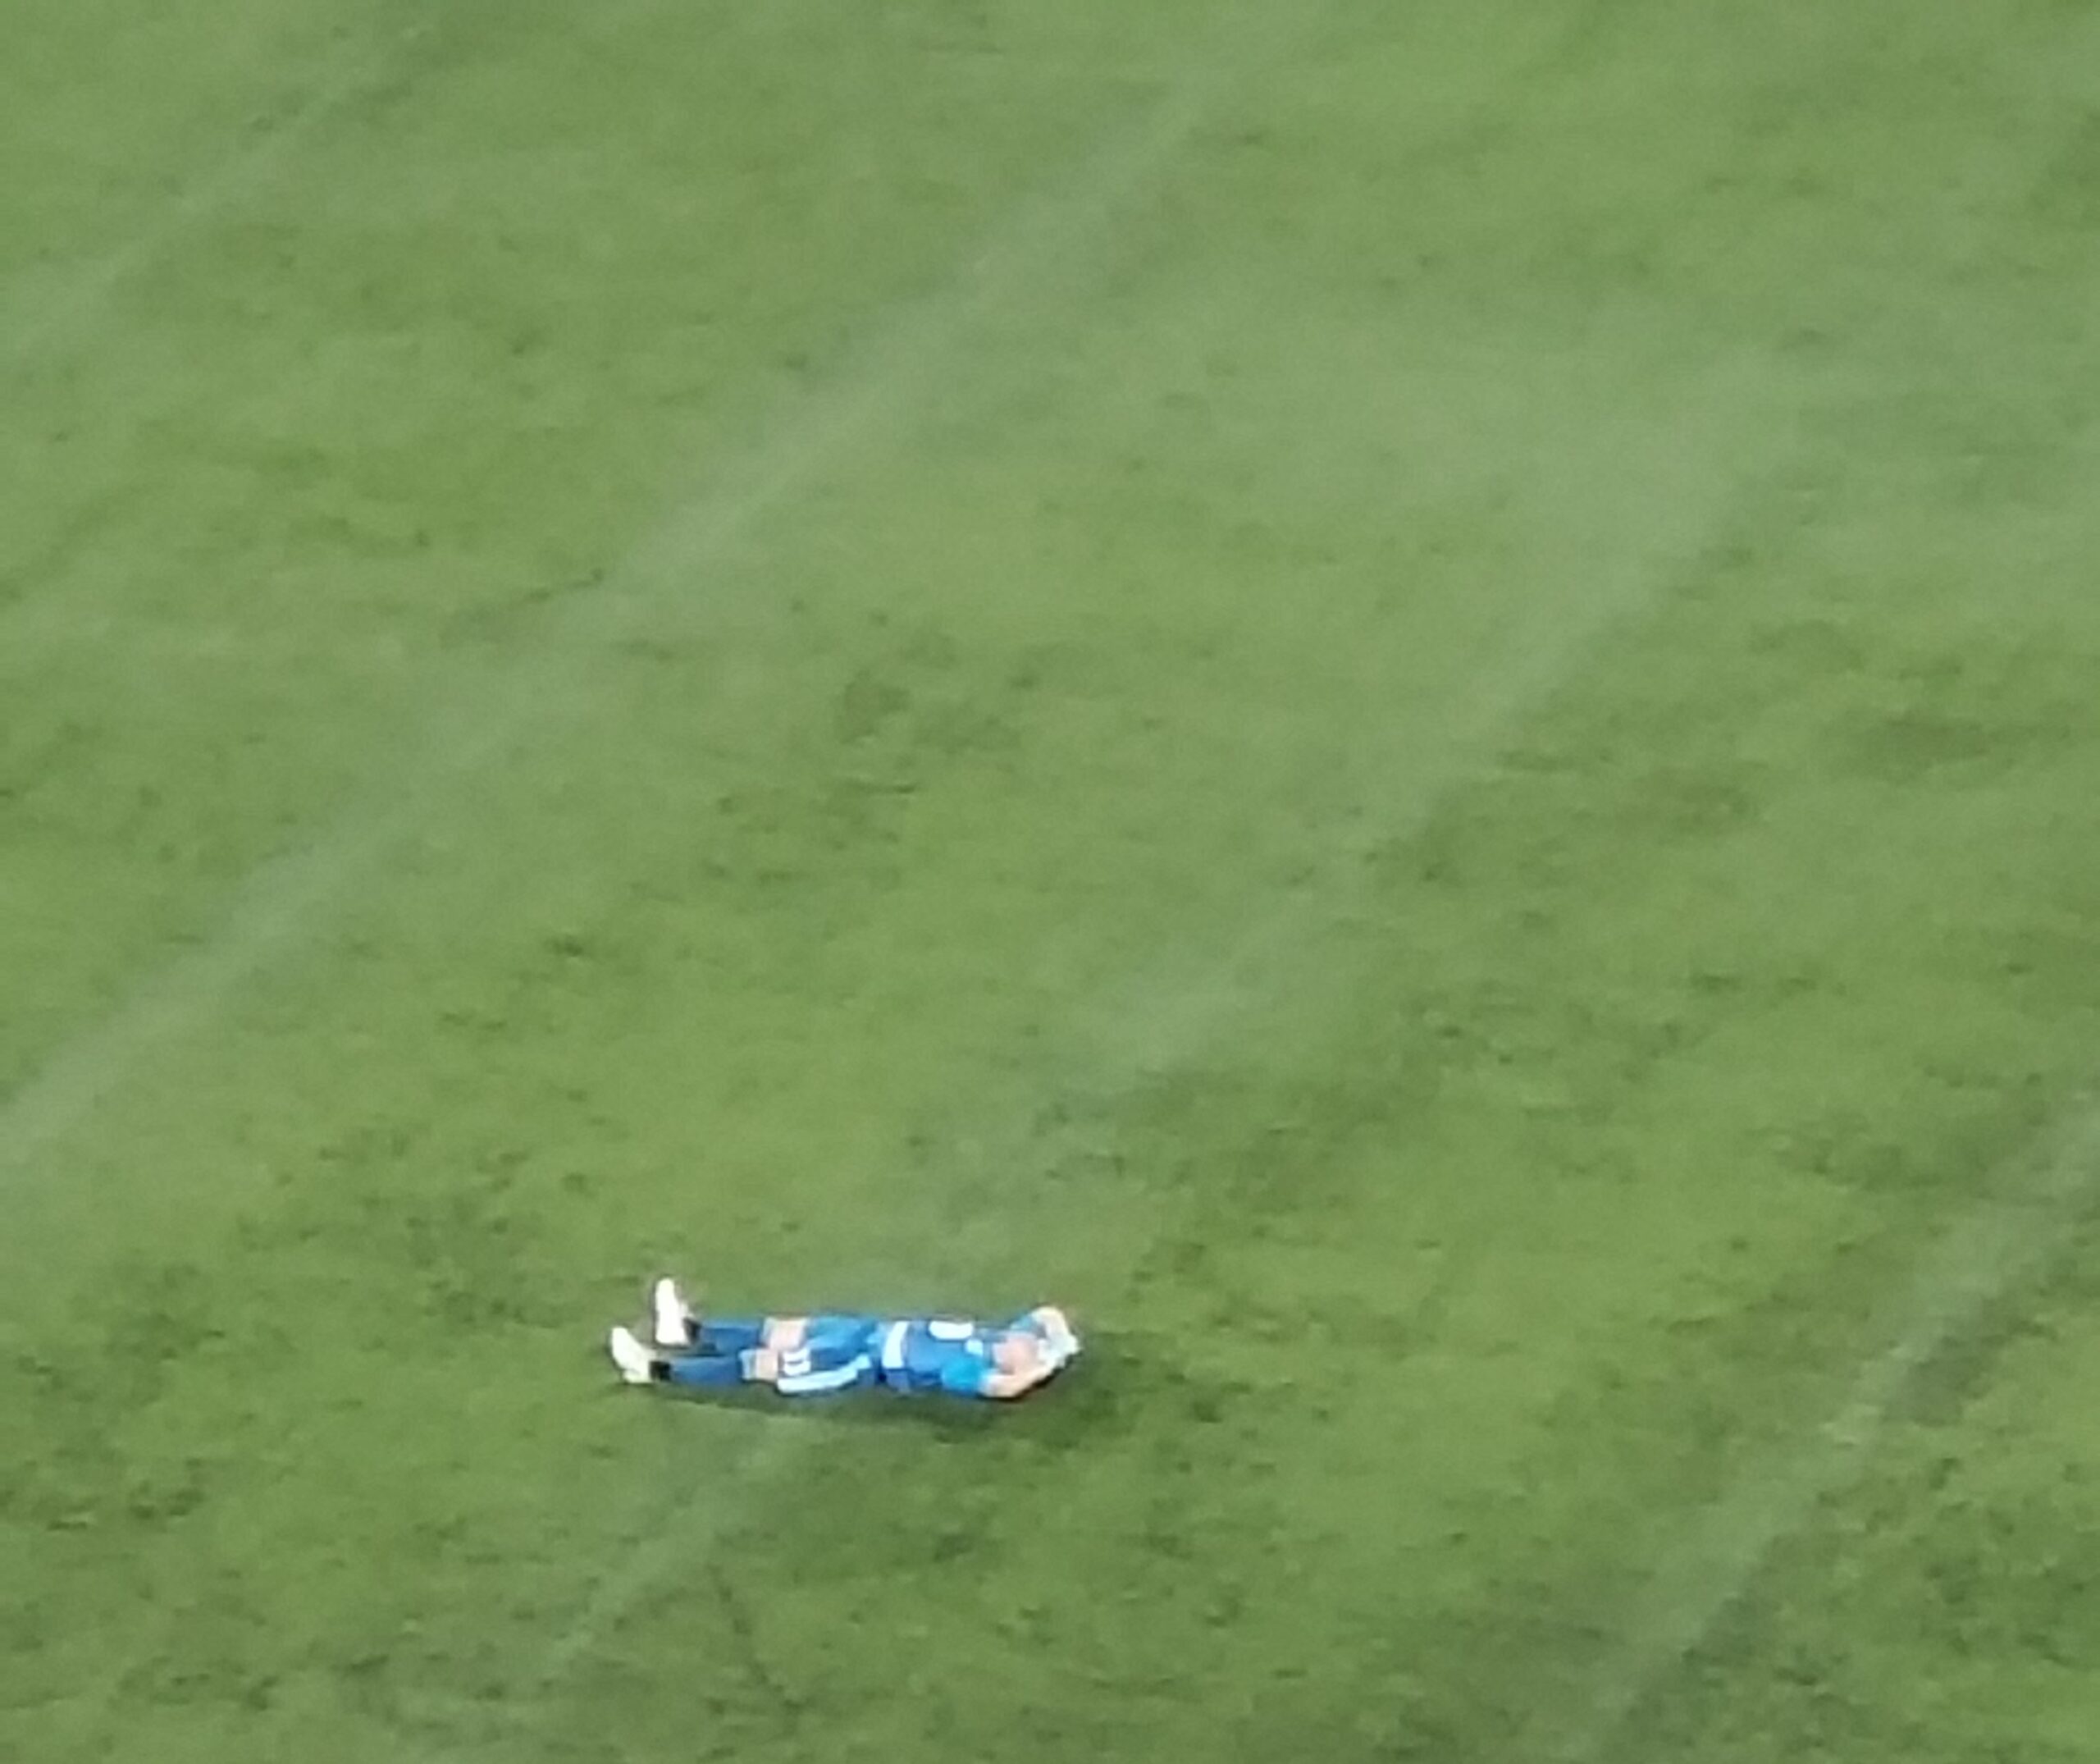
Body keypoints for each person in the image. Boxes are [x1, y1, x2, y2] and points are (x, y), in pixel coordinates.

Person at [607, 1278, 1080, 1401]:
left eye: (1030, 1348)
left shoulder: (970, 1369)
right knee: (787, 1328)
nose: (1028, 1341)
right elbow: (1047, 1313)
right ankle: (690, 1332)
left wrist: (1046, 1367)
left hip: (857, 1362)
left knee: (763, 1363)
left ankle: (655, 1370)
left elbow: (1007, 1388)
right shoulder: (997, 1336)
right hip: (869, 1330)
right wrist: (1058, 1342)